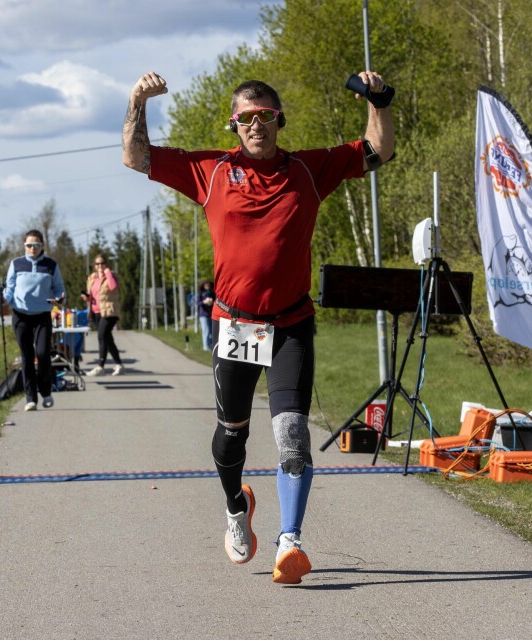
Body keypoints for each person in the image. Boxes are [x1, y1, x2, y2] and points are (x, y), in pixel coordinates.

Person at [122, 69, 394, 584]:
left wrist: (379, 100)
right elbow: (136, 157)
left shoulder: (308, 170)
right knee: (232, 437)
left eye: (265, 115)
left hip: (291, 324)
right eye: (246, 118)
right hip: (237, 326)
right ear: (234, 124)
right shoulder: (211, 171)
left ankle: (290, 542)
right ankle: (235, 505)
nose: (256, 125)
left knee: (292, 436)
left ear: (278, 120)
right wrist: (138, 100)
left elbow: (377, 151)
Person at [2, 230, 66, 412]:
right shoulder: (16, 264)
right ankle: (30, 398)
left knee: (43, 354)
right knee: (27, 356)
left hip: (42, 315)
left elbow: (59, 288)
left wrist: (60, 298)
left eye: (36, 245)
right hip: (21, 315)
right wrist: (3, 299)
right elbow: (9, 288)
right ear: (24, 246)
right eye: (29, 245)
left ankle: (46, 392)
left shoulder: (51, 265)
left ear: (42, 246)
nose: (32, 248)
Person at [81, 253, 124, 376]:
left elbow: (113, 287)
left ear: (106, 264)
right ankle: (119, 364)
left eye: (102, 263)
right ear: (95, 265)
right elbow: (91, 296)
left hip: (109, 312)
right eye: (97, 264)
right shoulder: (92, 278)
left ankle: (100, 366)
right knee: (107, 339)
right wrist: (86, 297)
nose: (100, 266)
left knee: (101, 336)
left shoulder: (111, 276)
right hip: (95, 312)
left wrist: (108, 272)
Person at [198, 280, 215, 350]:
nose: (207, 286)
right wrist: (204, 302)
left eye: (208, 285)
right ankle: (205, 346)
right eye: (206, 285)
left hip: (210, 314)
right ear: (203, 286)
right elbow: (198, 303)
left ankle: (210, 345)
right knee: (206, 330)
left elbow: (216, 301)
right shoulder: (200, 293)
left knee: (211, 331)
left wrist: (212, 302)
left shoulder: (212, 293)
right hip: (203, 315)